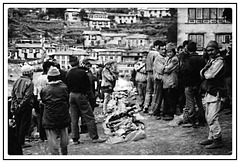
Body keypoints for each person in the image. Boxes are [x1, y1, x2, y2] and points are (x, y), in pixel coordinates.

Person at [66, 55, 106, 144]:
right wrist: (91, 97)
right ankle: (94, 137)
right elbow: (88, 86)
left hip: (71, 95)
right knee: (89, 116)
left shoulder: (68, 73)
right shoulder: (82, 72)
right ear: (78, 62)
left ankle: (75, 138)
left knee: (74, 118)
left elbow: (67, 86)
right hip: (81, 95)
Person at [199, 40, 226, 149]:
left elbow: (209, 75)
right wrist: (204, 73)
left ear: (217, 50)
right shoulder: (212, 61)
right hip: (209, 91)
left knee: (212, 117)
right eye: (208, 50)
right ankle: (211, 137)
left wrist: (204, 73)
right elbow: (202, 73)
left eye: (212, 50)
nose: (210, 52)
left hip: (216, 91)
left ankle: (218, 140)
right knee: (207, 115)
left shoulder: (219, 61)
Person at [40, 66, 71, 155]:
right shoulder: (64, 87)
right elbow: (67, 99)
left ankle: (55, 156)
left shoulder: (45, 89)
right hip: (63, 115)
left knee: (52, 139)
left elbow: (43, 101)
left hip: (49, 116)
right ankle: (64, 154)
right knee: (64, 136)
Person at [181, 41, 206, 128]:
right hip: (199, 84)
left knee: (190, 103)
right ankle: (202, 120)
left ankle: (193, 122)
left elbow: (184, 72)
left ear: (187, 49)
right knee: (199, 103)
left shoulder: (187, 59)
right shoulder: (202, 59)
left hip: (189, 84)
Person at [11, 64, 34, 148]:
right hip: (25, 106)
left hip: (16, 104)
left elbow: (13, 94)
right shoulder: (29, 82)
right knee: (24, 124)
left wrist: (16, 104)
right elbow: (28, 96)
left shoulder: (16, 81)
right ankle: (21, 142)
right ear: (30, 73)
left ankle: (17, 142)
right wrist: (21, 105)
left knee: (18, 123)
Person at [143, 40, 165, 113]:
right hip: (155, 73)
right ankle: (154, 108)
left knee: (148, 91)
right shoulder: (156, 54)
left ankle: (146, 106)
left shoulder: (149, 53)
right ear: (157, 46)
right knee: (156, 92)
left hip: (148, 73)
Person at [162, 43, 179, 121]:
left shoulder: (174, 59)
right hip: (167, 81)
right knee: (167, 97)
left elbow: (167, 69)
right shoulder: (168, 59)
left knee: (171, 97)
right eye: (167, 52)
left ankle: (171, 113)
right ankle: (167, 112)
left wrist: (163, 68)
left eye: (170, 52)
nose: (169, 53)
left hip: (172, 80)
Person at [151, 41, 166, 119]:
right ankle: (155, 111)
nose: (164, 51)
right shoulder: (157, 58)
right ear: (159, 50)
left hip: (165, 80)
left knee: (164, 97)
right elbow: (161, 70)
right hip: (159, 80)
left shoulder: (166, 58)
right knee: (158, 96)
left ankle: (162, 111)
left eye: (164, 49)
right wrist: (167, 67)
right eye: (162, 49)